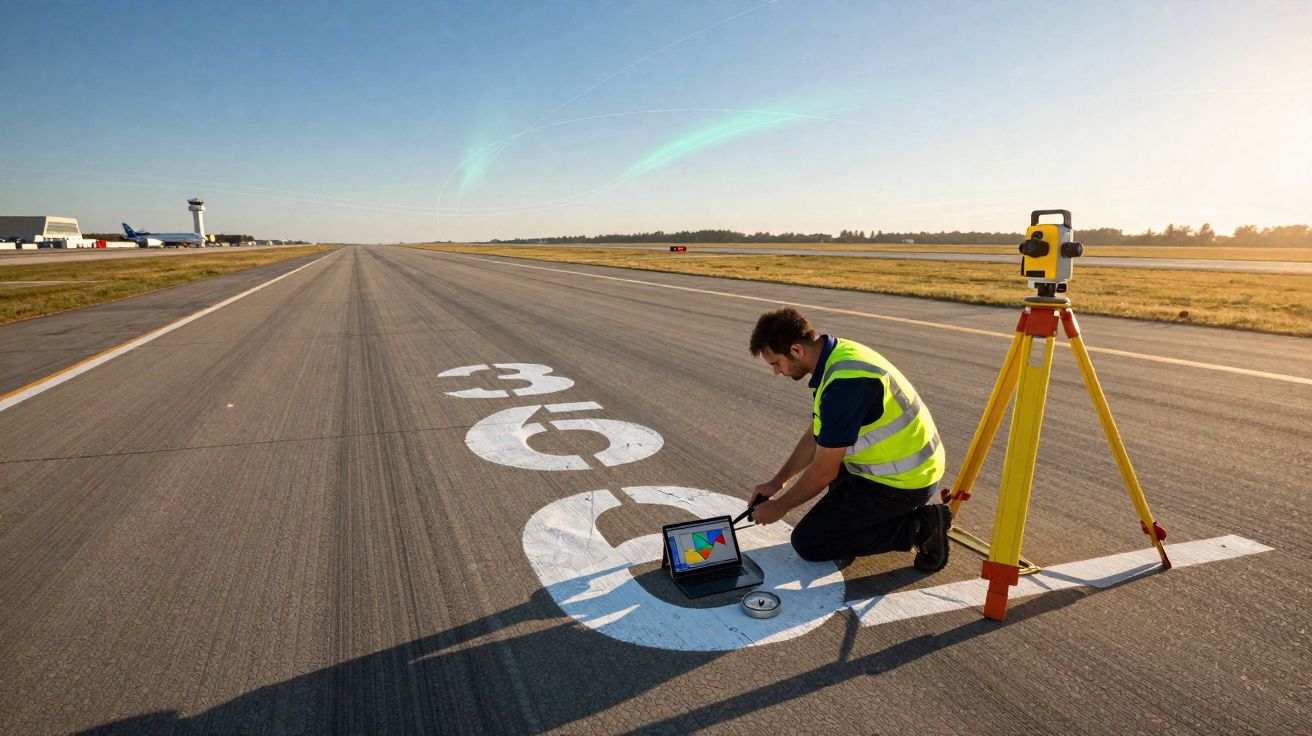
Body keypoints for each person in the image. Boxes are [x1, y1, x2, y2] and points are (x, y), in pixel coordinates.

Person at [747, 307, 951, 572]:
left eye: (776, 363)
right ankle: (853, 530)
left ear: (796, 350)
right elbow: (818, 434)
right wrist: (777, 482)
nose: (776, 371)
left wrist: (780, 507)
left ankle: (920, 527)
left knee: (810, 542)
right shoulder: (838, 356)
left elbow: (824, 472)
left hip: (905, 481)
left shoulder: (844, 386)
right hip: (904, 466)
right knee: (832, 492)